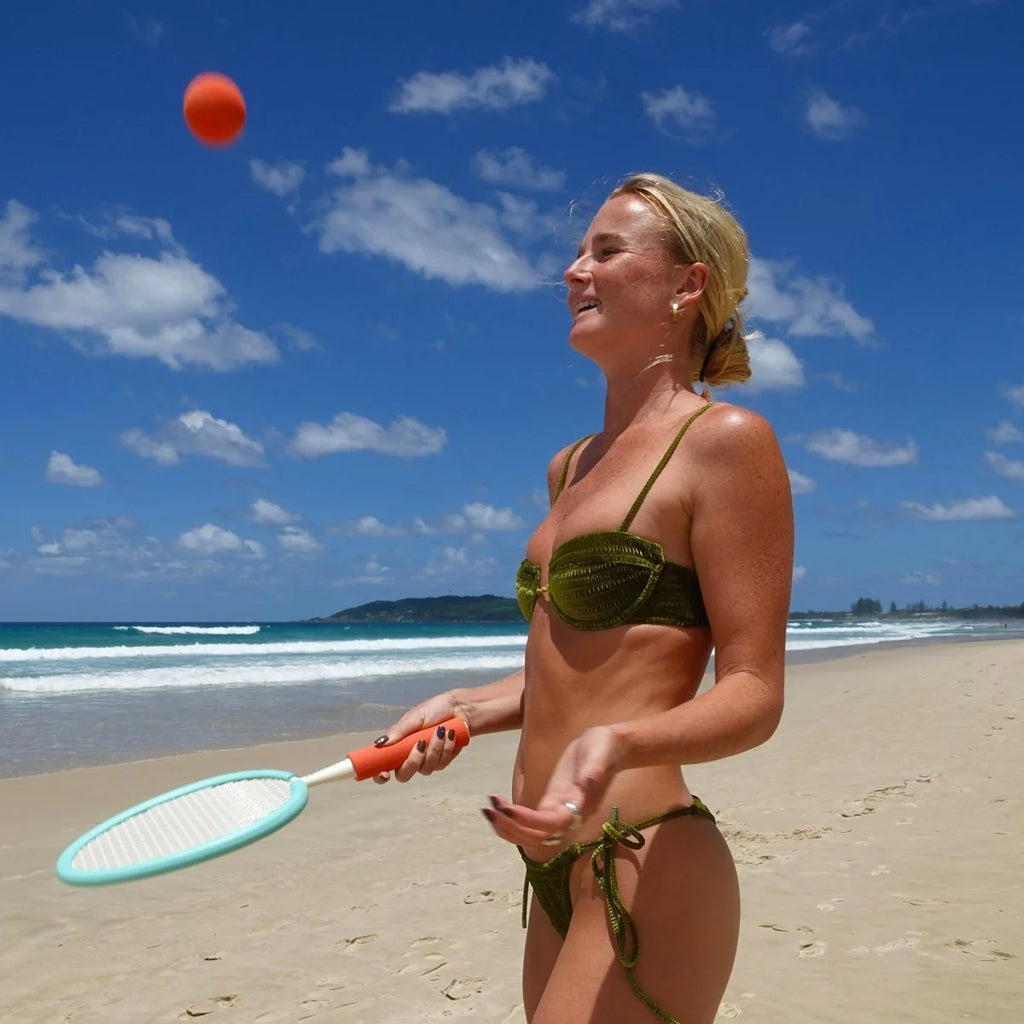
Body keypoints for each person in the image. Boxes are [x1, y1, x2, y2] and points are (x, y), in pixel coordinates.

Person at [370, 172, 794, 1024]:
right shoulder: (570, 466)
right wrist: (467, 705)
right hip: (547, 864)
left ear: (687, 286)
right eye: (577, 252)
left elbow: (753, 693)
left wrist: (618, 744)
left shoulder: (725, 444)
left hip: (646, 858)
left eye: (605, 251)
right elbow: (581, 673)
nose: (572, 272)